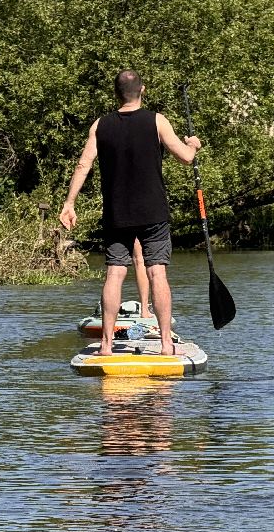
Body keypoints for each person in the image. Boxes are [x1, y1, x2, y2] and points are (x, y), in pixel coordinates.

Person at [58, 69, 201, 356]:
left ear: (116, 93)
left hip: (117, 213)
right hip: (153, 212)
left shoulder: (100, 125)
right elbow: (186, 158)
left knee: (115, 273)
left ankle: (106, 346)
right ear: (142, 90)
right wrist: (192, 145)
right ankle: (165, 345)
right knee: (157, 272)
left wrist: (69, 203)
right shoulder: (157, 121)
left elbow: (83, 165)